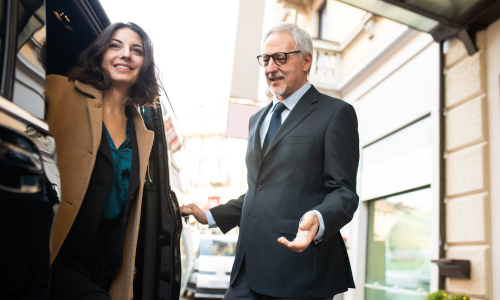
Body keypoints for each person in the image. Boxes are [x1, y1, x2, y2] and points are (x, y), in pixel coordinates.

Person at [182, 22, 359, 300]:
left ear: (306, 61)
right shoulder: (256, 119)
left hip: (298, 274)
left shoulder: (336, 113)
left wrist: (318, 217)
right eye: (265, 59)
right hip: (246, 270)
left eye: (281, 58)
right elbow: (260, 190)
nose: (270, 67)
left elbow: (344, 192)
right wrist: (210, 215)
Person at [44, 22, 158, 300]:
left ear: (144, 65)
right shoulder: (59, 92)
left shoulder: (142, 133)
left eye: (136, 50)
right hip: (58, 250)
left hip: (105, 266)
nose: (126, 54)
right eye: (115, 45)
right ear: (100, 53)